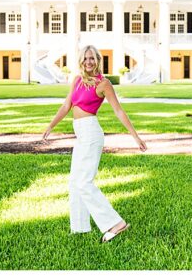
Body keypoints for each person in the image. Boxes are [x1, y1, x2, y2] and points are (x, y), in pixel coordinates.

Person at [42, 45, 148, 243]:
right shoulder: (76, 80)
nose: (88, 62)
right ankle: (79, 228)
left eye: (92, 59)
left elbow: (119, 111)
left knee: (84, 181)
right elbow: (66, 106)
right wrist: (50, 126)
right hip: (80, 134)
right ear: (81, 60)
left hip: (91, 133)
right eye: (85, 58)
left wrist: (136, 136)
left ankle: (116, 223)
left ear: (97, 60)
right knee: (75, 182)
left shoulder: (104, 84)